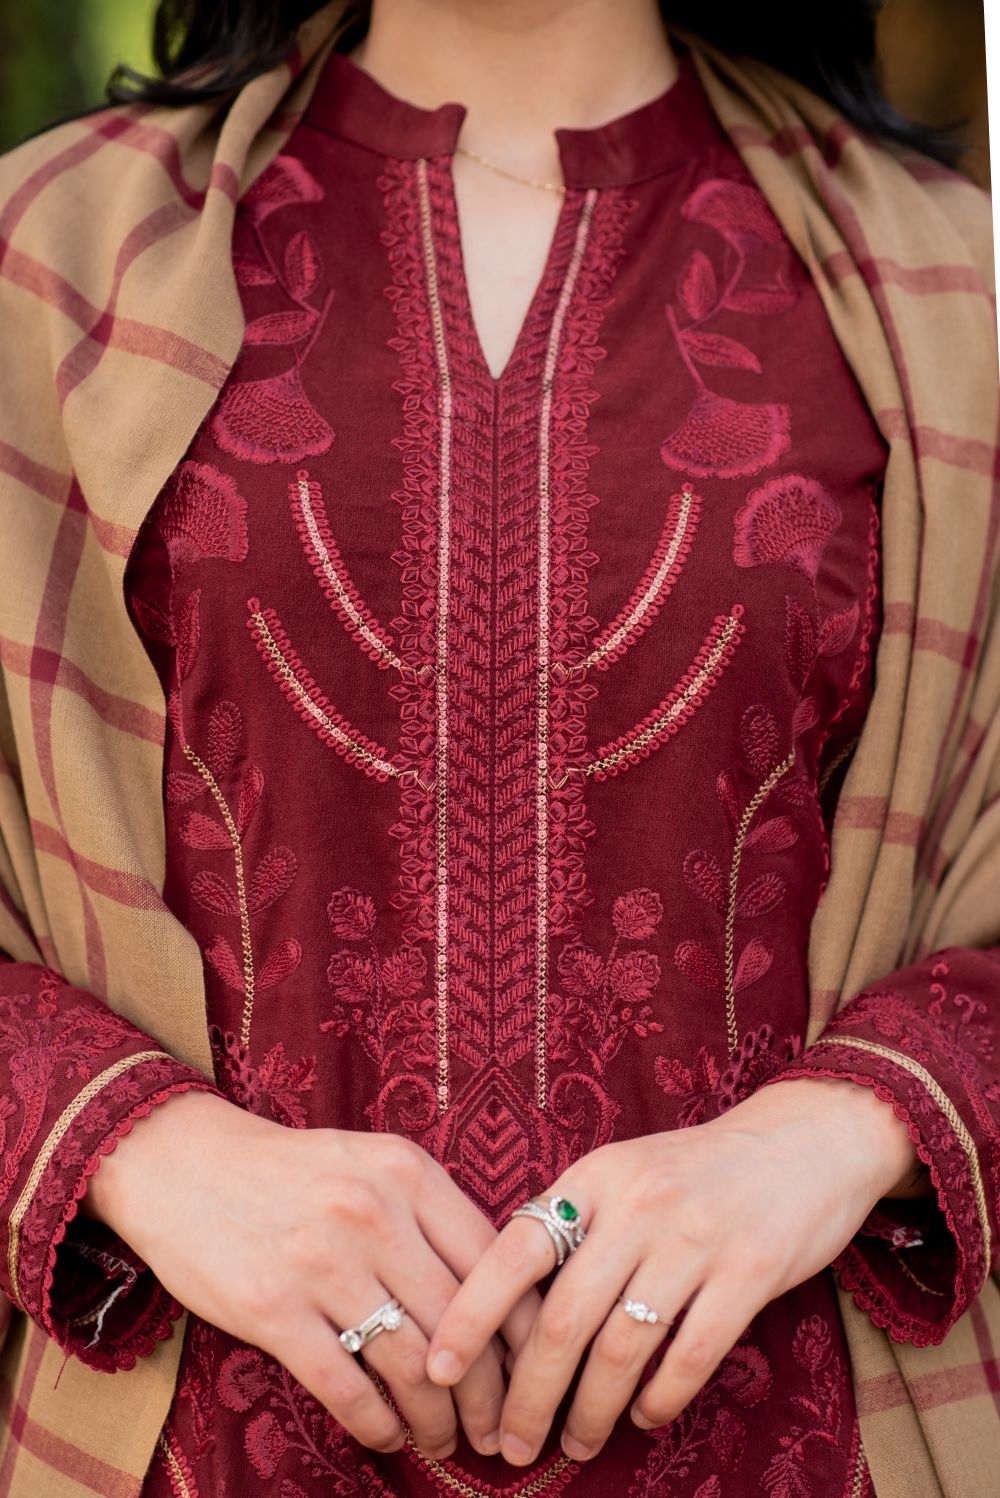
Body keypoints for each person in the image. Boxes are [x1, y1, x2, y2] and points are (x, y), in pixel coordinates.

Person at [0, 2, 996, 1495]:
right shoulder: (51, 258)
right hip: (193, 1447)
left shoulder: (952, 292)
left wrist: (852, 1127)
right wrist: (138, 1147)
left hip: (802, 1441)